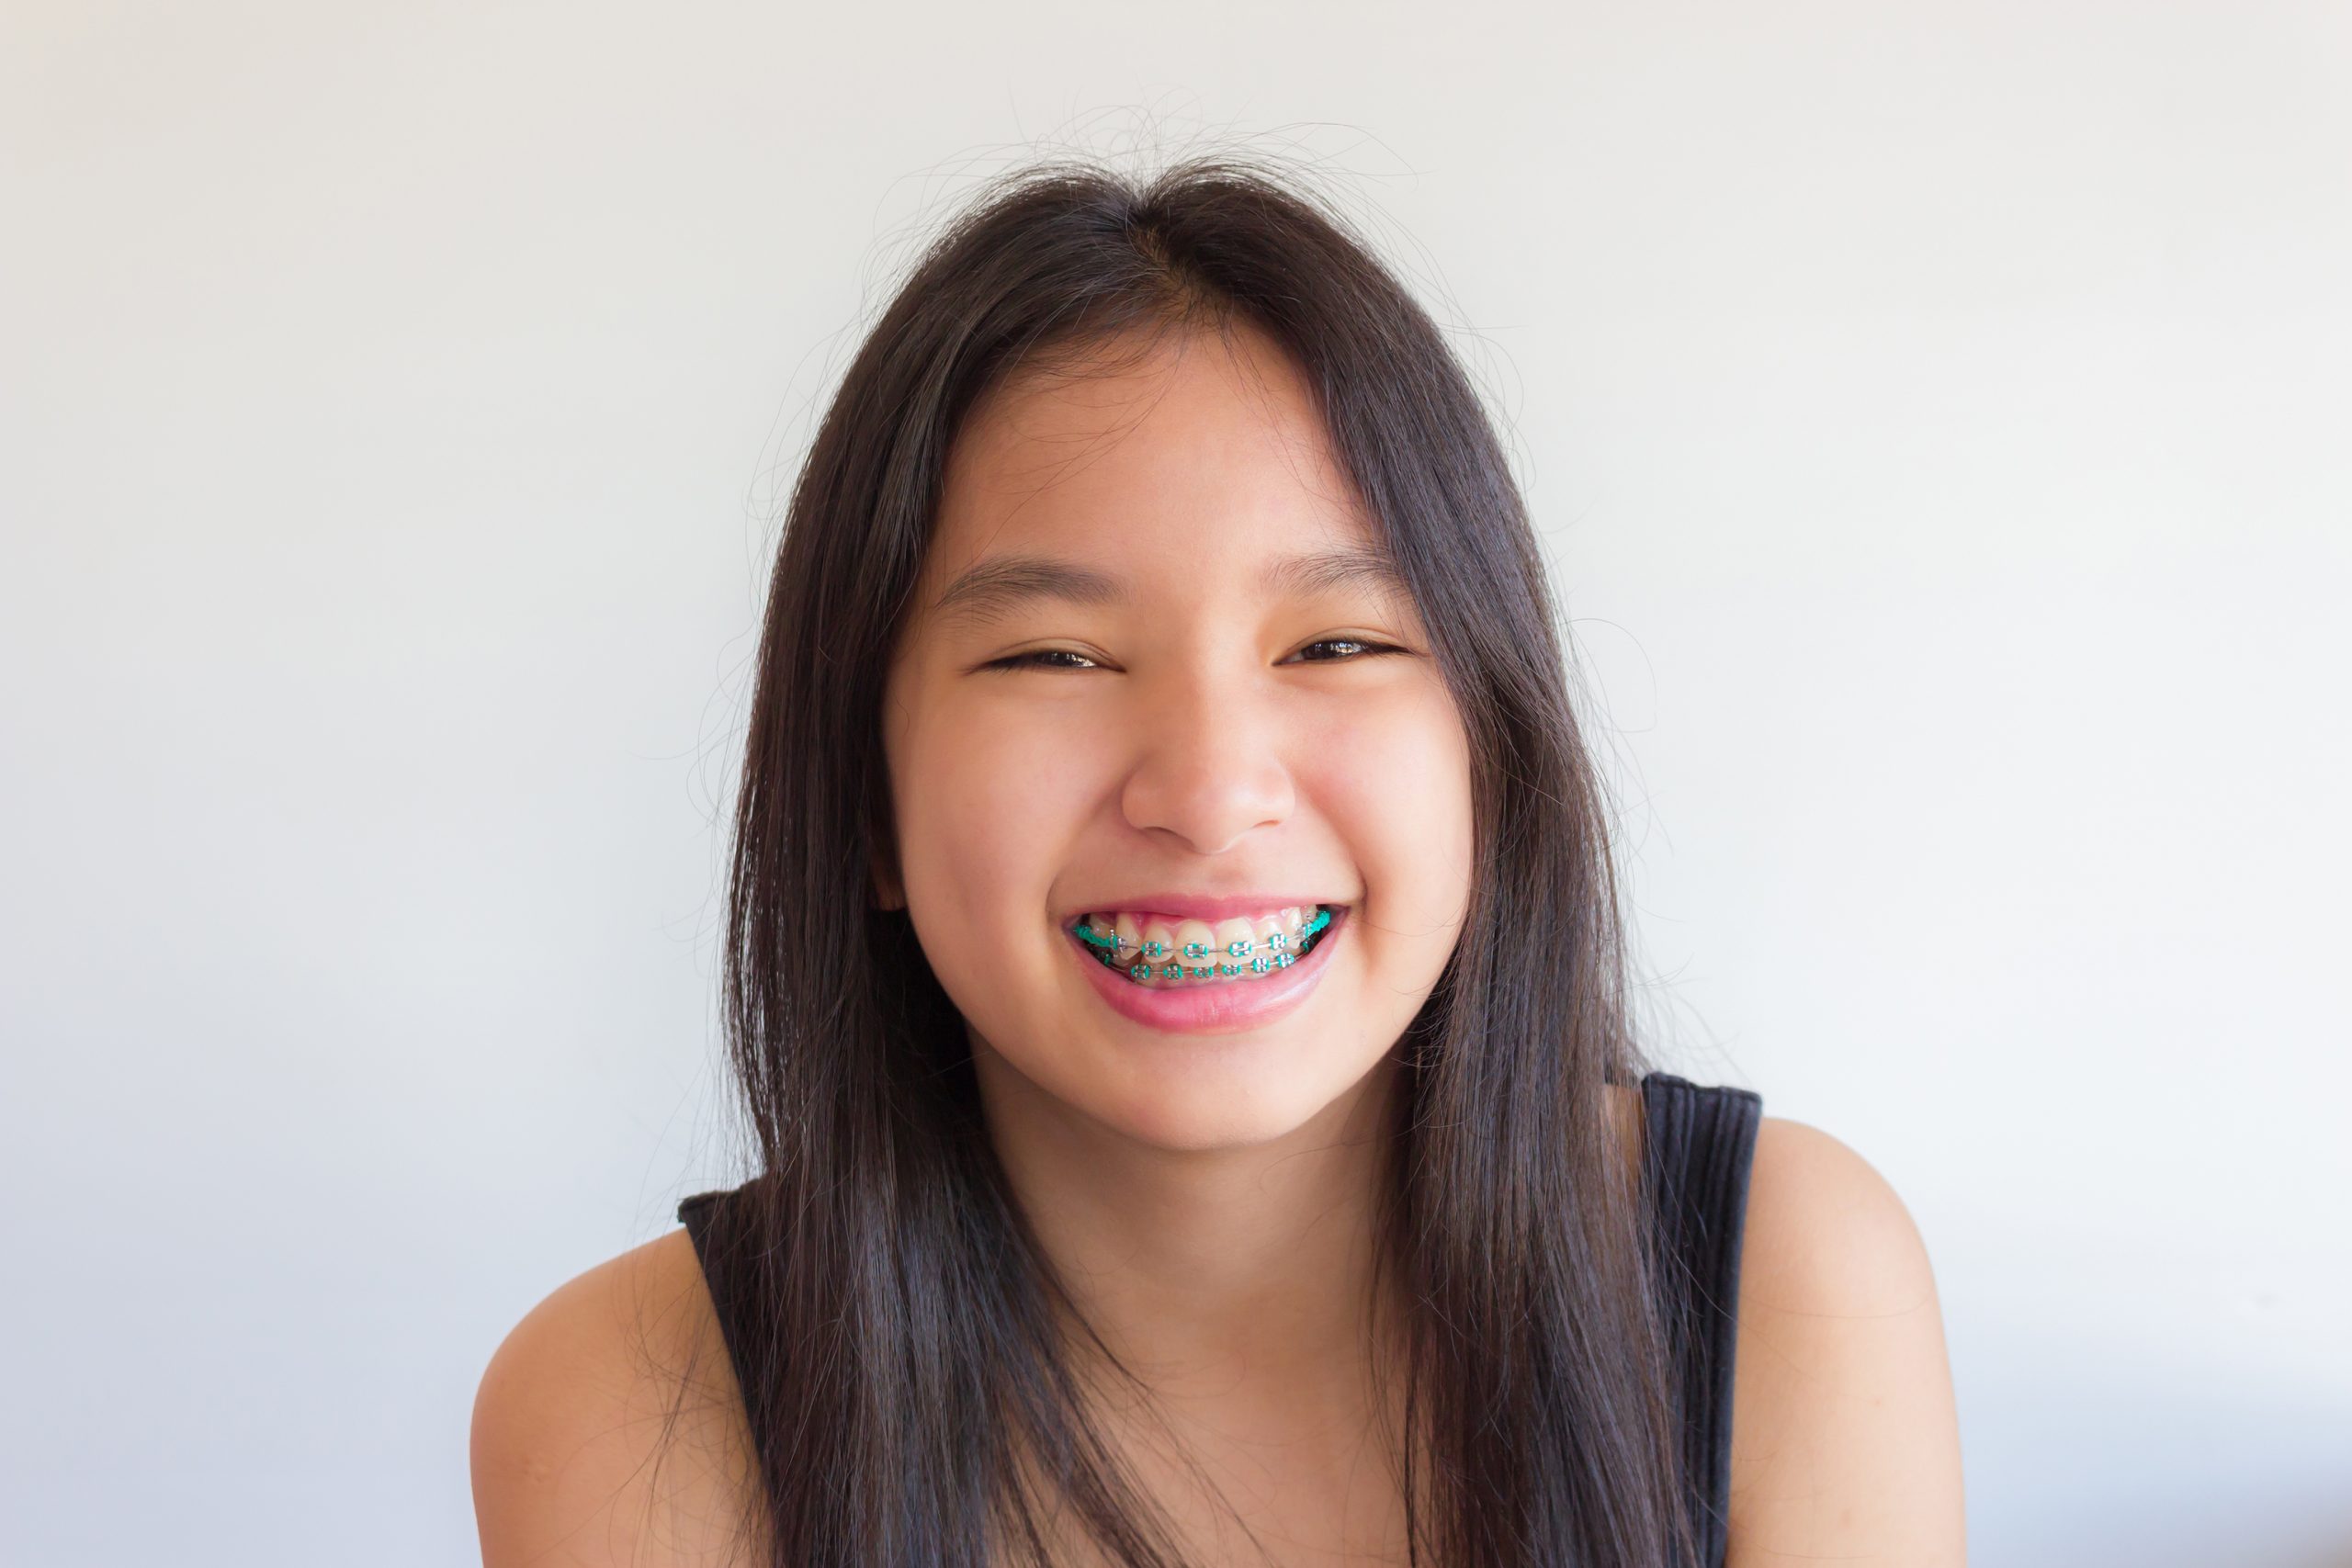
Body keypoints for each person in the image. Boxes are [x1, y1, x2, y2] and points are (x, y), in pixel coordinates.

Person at [469, 153, 1966, 1567]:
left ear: (1488, 769)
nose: (1207, 792)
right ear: (866, 806)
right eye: (1054, 654)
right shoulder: (635, 1403)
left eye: (1336, 642)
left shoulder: (1783, 1281)